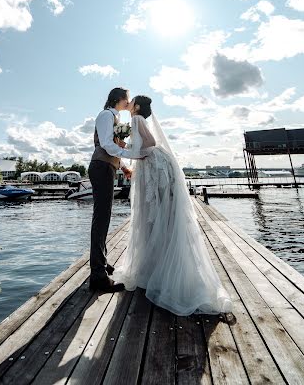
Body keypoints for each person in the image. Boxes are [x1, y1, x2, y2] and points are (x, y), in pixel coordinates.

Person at [113, 95, 233, 316]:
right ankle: (158, 269)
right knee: (158, 215)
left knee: (151, 216)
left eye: (131, 102)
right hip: (153, 165)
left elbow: (148, 144)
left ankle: (152, 271)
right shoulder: (139, 120)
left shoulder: (137, 119)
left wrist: (127, 150)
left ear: (137, 106)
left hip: (152, 166)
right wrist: (128, 147)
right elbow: (145, 144)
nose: (128, 104)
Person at [88, 87, 147, 293]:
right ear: (119, 100)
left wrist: (123, 166)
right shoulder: (106, 116)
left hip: (107, 167)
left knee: (104, 217)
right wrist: (132, 153)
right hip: (101, 167)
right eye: (127, 100)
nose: (128, 103)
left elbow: (111, 145)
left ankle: (101, 264)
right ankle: (97, 276)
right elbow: (105, 144)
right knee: (101, 218)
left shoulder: (113, 118)